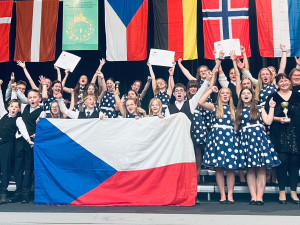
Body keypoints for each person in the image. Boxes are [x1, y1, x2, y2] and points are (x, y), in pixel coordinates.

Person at [235, 88, 280, 206]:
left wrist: (271, 107)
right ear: (240, 97)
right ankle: (253, 197)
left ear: (252, 95)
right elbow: (235, 128)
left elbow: (268, 121)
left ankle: (260, 197)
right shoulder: (238, 111)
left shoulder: (259, 107)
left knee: (261, 169)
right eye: (243, 93)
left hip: (259, 140)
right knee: (250, 170)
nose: (246, 95)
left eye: (248, 93)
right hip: (246, 141)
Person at [199, 86, 241, 204]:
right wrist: (210, 90)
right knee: (219, 168)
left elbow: (236, 127)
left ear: (230, 96)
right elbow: (200, 102)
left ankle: (230, 195)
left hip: (230, 139)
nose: (225, 95)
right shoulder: (214, 107)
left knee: (230, 169)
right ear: (219, 95)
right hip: (217, 139)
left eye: (227, 93)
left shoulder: (235, 109)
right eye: (223, 93)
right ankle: (222, 194)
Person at [265, 74, 300, 204]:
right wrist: (278, 119)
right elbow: (267, 116)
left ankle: (293, 192)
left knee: (295, 162)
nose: (284, 82)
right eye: (281, 81)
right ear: (277, 84)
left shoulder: (297, 95)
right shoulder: (272, 97)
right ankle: (282, 192)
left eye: (285, 80)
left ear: (289, 82)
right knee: (283, 162)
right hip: (279, 133)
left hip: (296, 133)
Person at [0, 80, 33, 204]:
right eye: (12, 106)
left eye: (16, 107)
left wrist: (29, 139)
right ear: (8, 107)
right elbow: (0, 101)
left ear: (19, 109)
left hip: (8, 146)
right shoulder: (3, 114)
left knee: (6, 169)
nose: (13, 108)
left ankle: (3, 193)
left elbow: (23, 130)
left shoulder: (18, 119)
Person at [9, 89, 43, 203]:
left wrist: (36, 134)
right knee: (18, 167)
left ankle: (25, 193)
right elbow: (14, 101)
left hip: (32, 142)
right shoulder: (24, 107)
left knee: (28, 168)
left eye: (34, 97)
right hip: (20, 141)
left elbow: (43, 128)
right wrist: (14, 90)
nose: (32, 99)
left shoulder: (41, 111)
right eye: (30, 97)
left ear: (39, 99)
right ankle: (18, 192)